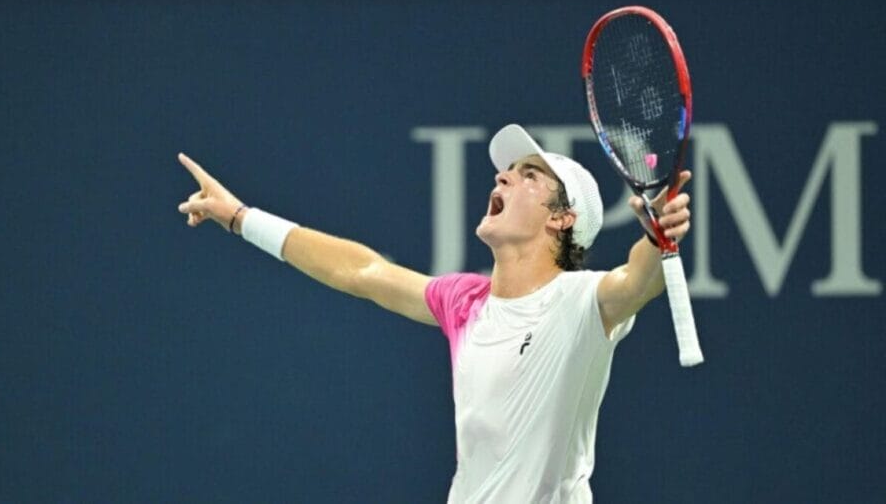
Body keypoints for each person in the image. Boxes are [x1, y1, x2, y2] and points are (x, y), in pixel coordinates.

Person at [177, 123, 692, 503]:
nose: (504, 177)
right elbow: (360, 271)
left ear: (562, 218)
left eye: (528, 175)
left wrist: (655, 237)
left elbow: (635, 282)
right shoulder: (464, 302)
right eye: (506, 171)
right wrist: (242, 219)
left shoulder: (581, 302)